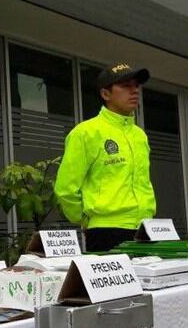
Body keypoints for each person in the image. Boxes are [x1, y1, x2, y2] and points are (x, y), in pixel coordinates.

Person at [54, 63, 156, 252]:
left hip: (146, 228)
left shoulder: (139, 135)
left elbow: (143, 183)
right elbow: (65, 188)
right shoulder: (86, 133)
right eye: (126, 86)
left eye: (136, 86)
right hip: (107, 231)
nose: (134, 91)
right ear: (105, 94)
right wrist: (85, 219)